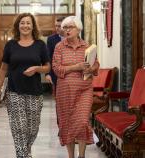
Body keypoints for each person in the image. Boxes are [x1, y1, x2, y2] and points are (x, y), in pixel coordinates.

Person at [0, 13, 50, 158]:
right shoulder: (11, 45)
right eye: (22, 23)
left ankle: (26, 150)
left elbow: (48, 67)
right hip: (14, 92)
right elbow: (4, 68)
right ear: (18, 26)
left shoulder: (40, 45)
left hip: (35, 92)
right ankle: (22, 154)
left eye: (28, 23)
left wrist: (37, 69)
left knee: (33, 128)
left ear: (33, 26)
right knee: (19, 127)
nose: (25, 25)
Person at [52, 16, 99, 158]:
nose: (66, 30)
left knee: (82, 121)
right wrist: (76, 67)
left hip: (84, 89)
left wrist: (90, 69)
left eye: (70, 27)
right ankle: (71, 156)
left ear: (78, 29)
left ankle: (82, 155)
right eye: (64, 28)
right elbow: (56, 68)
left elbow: (96, 65)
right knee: (67, 123)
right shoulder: (59, 47)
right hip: (65, 91)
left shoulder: (87, 46)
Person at [45, 16, 64, 91]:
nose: (57, 28)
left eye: (59, 26)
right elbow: (48, 57)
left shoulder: (72, 38)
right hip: (56, 73)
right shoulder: (51, 39)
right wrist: (47, 74)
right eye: (56, 26)